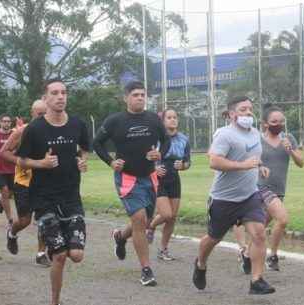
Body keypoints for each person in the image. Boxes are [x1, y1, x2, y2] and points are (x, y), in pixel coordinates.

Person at [192, 96, 276, 295]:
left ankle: (256, 280)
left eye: (250, 109)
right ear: (232, 114)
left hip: (249, 196)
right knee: (213, 238)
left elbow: (254, 157)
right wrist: (243, 166)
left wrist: (261, 166)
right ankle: (201, 264)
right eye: (243, 109)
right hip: (223, 199)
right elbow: (214, 161)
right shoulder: (224, 134)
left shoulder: (255, 133)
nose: (248, 113)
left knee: (259, 234)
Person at [16, 79, 90, 305]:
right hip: (44, 199)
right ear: (45, 98)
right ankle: (54, 301)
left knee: (76, 255)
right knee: (59, 256)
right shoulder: (35, 129)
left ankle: (55, 244)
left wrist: (82, 161)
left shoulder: (78, 124)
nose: (60, 97)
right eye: (55, 93)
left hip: (71, 197)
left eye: (64, 93)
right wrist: (42, 164)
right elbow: (21, 160)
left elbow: (85, 149)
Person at [94, 81, 170, 287]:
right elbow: (96, 143)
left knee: (143, 221)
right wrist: (111, 161)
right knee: (139, 218)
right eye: (135, 94)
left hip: (150, 176)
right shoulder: (115, 121)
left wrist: (160, 152)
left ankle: (120, 236)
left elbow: (166, 139)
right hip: (127, 178)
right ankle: (146, 269)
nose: (140, 98)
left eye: (143, 95)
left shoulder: (153, 119)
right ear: (126, 97)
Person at [233, 106, 304, 272]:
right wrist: (259, 167)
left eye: (281, 121)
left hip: (279, 189)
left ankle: (247, 256)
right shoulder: (257, 139)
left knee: (260, 227)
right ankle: (272, 256)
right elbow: (247, 159)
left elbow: (301, 163)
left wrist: (291, 150)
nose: (278, 124)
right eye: (274, 121)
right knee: (283, 218)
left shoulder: (289, 138)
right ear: (265, 124)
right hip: (260, 187)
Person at [0, 100, 52, 266]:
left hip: (45, 182)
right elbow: (4, 153)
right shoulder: (22, 132)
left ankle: (41, 253)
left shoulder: (54, 130)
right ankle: (12, 233)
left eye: (46, 114)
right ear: (32, 113)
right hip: (24, 182)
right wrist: (24, 162)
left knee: (45, 218)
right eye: (40, 114)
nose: (43, 117)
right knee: (25, 221)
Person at [146, 109, 191, 261]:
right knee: (166, 214)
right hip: (158, 180)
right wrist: (154, 168)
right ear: (162, 121)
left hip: (174, 180)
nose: (173, 120)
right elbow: (145, 158)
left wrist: (183, 165)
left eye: (175, 117)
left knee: (172, 218)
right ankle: (151, 226)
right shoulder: (155, 138)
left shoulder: (184, 139)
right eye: (169, 117)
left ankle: (163, 250)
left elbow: (187, 162)